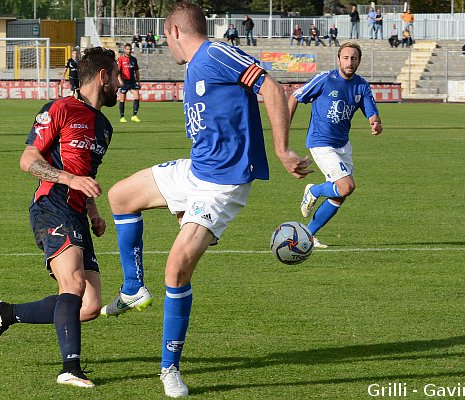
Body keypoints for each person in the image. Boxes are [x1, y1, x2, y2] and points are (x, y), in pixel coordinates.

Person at [100, 3, 312, 397]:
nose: (167, 46)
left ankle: (169, 368)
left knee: (176, 268)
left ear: (175, 31)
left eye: (166, 38)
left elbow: (270, 87)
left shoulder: (215, 53)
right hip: (195, 172)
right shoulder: (195, 68)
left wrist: (282, 149)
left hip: (223, 185)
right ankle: (132, 288)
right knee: (120, 196)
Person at [0, 47, 119, 389]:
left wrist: (94, 211)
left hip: (77, 211)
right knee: (71, 285)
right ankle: (70, 369)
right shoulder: (59, 109)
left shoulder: (104, 127)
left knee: (88, 306)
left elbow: (84, 172)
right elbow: (28, 160)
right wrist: (70, 180)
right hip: (52, 204)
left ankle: (7, 312)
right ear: (102, 76)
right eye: (116, 76)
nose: (120, 82)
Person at [288, 42, 382, 249]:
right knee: (346, 186)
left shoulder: (361, 85)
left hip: (342, 144)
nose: (350, 62)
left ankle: (308, 234)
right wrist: (284, 125)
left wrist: (375, 123)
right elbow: (295, 96)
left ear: (359, 61)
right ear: (338, 59)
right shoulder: (324, 79)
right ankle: (314, 190)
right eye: (346, 58)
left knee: (341, 195)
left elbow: (371, 112)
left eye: (354, 58)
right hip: (321, 143)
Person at [117, 43, 141, 123]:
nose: (129, 51)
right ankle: (122, 117)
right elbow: (118, 71)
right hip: (124, 81)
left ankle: (134, 116)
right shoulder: (120, 59)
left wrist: (138, 81)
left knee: (137, 96)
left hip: (132, 81)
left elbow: (136, 71)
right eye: (127, 49)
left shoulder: (134, 59)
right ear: (124, 50)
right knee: (122, 99)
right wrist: (120, 80)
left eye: (130, 49)